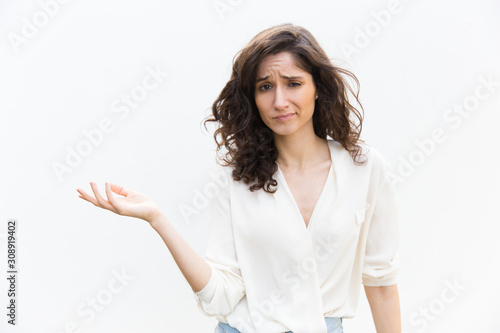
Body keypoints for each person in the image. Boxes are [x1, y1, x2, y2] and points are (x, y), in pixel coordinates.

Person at [76, 23, 401, 333]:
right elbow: (220, 294)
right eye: (265, 87)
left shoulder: (366, 169)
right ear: (252, 98)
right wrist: (157, 219)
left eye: (293, 83)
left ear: (318, 87)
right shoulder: (237, 179)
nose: (279, 101)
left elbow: (381, 281)